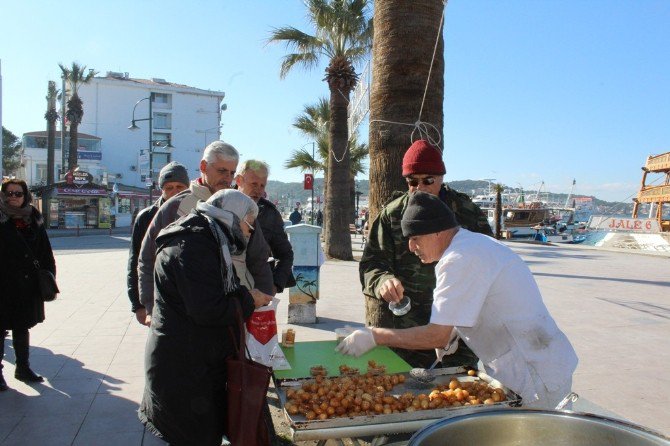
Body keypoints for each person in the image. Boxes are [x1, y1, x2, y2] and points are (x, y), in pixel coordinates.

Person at [339, 192, 578, 409]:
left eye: (415, 238)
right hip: (536, 364)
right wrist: (453, 331)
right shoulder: (473, 245)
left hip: (534, 376)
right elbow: (476, 303)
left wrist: (374, 336)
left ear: (438, 232)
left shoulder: (458, 258)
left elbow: (436, 335)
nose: (411, 247)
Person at [139, 189, 273, 445]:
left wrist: (244, 295)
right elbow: (209, 309)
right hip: (184, 370)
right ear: (232, 217)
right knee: (194, 436)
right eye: (249, 224)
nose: (250, 232)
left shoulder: (208, 238)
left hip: (195, 363)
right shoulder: (193, 245)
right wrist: (249, 299)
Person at [359, 139, 493, 369]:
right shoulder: (391, 215)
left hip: (457, 333)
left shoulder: (467, 212)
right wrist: (383, 280)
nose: (420, 187)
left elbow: (488, 258)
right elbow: (371, 264)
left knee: (457, 393)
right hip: (405, 332)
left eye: (428, 180)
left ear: (441, 178)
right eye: (412, 181)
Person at [137, 141, 274, 317]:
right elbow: (148, 258)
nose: (227, 178)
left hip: (238, 308)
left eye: (232, 173)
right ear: (203, 166)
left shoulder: (240, 204)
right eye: (222, 171)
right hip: (188, 313)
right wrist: (149, 306)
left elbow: (258, 258)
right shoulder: (175, 207)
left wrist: (263, 298)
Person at [0, 179, 56, 390]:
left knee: (22, 327)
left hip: (27, 285)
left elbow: (45, 250)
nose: (13, 197)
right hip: (3, 284)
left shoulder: (33, 217)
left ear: (26, 196)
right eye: (9, 193)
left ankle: (23, 367)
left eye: (18, 193)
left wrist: (49, 274)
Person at [127, 162, 189, 326]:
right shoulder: (147, 217)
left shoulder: (197, 212)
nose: (175, 192)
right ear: (161, 189)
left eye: (180, 187)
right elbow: (136, 261)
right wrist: (138, 305)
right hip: (157, 296)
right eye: (169, 188)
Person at [235, 160, 295, 293]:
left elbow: (286, 254)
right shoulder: (218, 202)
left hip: (257, 293)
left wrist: (275, 285)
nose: (258, 190)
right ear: (239, 180)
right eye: (254, 184)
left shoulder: (270, 214)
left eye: (262, 185)